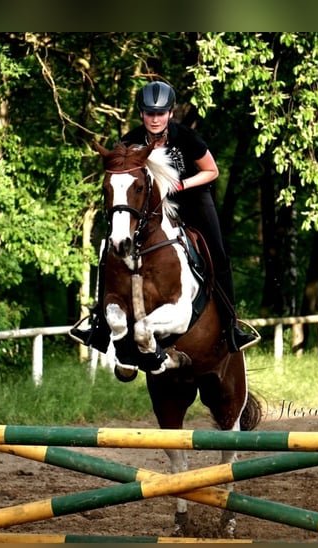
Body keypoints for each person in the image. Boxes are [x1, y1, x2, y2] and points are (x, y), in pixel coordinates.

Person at [70, 80, 258, 354]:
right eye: (149, 113)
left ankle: (232, 326)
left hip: (191, 198)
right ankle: (99, 325)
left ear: (170, 113)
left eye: (160, 113)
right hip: (146, 205)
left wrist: (180, 185)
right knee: (107, 247)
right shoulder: (129, 141)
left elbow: (212, 171)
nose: (155, 118)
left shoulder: (186, 138)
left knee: (217, 251)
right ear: (142, 114)